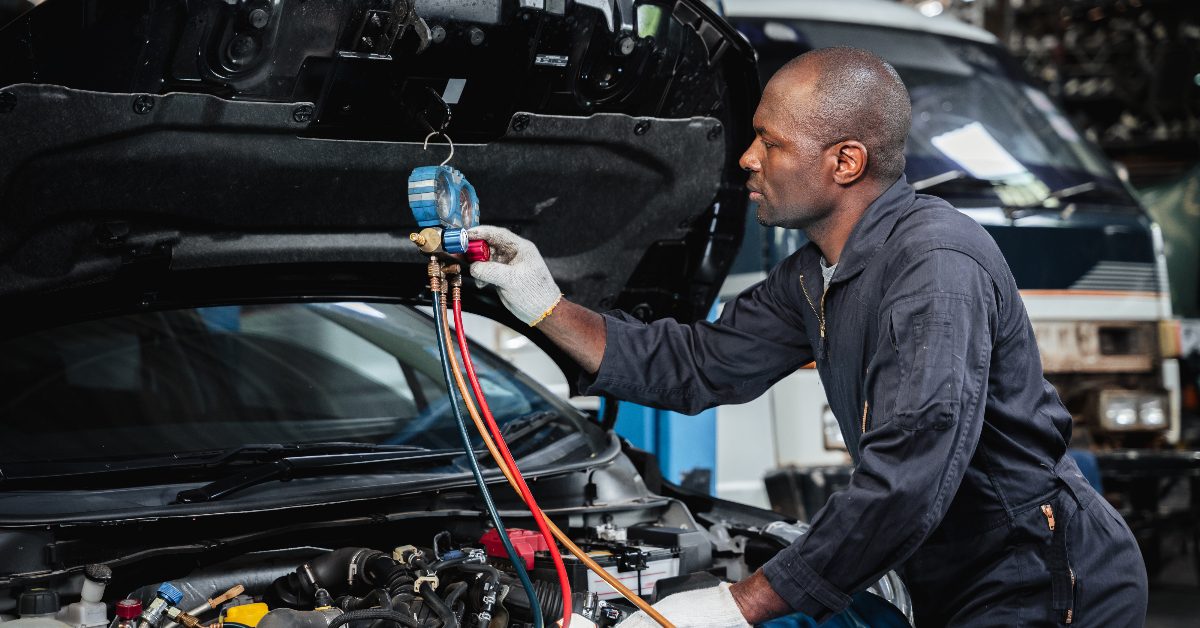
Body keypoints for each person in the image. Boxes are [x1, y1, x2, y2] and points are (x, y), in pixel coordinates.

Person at [467, 47, 1148, 627]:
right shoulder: (819, 271)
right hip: (954, 566)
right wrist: (545, 303)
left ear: (845, 162)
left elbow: (905, 481)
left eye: (772, 141)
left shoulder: (934, 266)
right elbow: (700, 364)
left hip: (1041, 574)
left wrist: (737, 604)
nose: (746, 159)